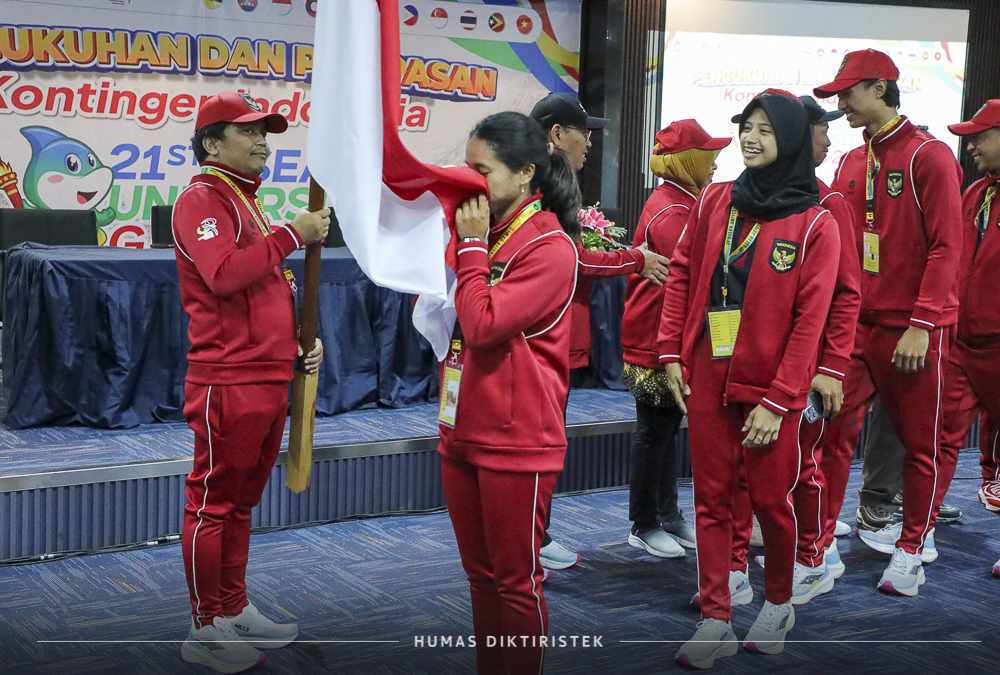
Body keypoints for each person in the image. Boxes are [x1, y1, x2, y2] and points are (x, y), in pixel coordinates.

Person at [660, 89, 840, 667]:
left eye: (765, 129)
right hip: (708, 373)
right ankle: (716, 617)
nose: (751, 139)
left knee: (770, 502)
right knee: (711, 498)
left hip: (770, 389)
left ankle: (778, 603)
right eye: (746, 127)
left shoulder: (816, 222)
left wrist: (780, 400)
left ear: (789, 139)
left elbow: (811, 321)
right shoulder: (717, 199)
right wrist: (670, 351)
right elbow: (682, 272)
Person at [172, 91, 329, 673]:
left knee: (239, 504)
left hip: (265, 376)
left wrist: (297, 346)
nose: (262, 140)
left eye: (265, 131)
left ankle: (232, 608)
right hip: (227, 381)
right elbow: (222, 276)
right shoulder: (202, 198)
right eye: (248, 131)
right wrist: (291, 235)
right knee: (213, 505)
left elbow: (264, 289)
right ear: (212, 144)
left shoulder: (245, 199)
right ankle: (202, 627)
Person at [812, 49, 963, 596]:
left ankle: (911, 549)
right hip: (856, 327)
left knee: (920, 444)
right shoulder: (852, 160)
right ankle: (816, 548)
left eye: (848, 92)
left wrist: (923, 322)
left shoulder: (929, 155)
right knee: (830, 437)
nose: (841, 104)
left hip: (913, 329)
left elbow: (947, 247)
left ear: (880, 88)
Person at [439, 111, 579, 674]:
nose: (469, 182)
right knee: (480, 577)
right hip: (462, 426)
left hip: (517, 439)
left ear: (524, 173)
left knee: (516, 582)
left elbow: (483, 325)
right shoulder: (486, 231)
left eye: (483, 171)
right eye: (466, 168)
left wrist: (471, 248)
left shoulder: (549, 246)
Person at [728, 95, 861, 606]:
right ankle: (735, 564)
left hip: (803, 368)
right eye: (820, 130)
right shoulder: (741, 198)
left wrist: (832, 365)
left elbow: (846, 294)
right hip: (748, 362)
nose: (827, 139)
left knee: (803, 466)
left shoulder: (825, 205)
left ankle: (812, 558)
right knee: (742, 471)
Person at [529, 93, 670, 571]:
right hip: (545, 337)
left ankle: (533, 533)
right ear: (555, 134)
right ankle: (531, 537)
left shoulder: (540, 179)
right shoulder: (539, 184)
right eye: (583, 133)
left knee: (546, 440)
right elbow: (569, 258)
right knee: (541, 441)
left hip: (551, 334)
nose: (589, 143)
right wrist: (636, 259)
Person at [621, 120, 729, 559]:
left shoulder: (680, 201)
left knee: (665, 431)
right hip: (653, 339)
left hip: (662, 338)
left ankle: (667, 514)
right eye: (708, 155)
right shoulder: (674, 212)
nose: (715, 163)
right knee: (654, 432)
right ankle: (644, 522)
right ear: (688, 161)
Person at [939, 100, 1000, 576]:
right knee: (938, 435)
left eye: (980, 136)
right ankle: (914, 538)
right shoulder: (976, 191)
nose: (971, 145)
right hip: (962, 342)